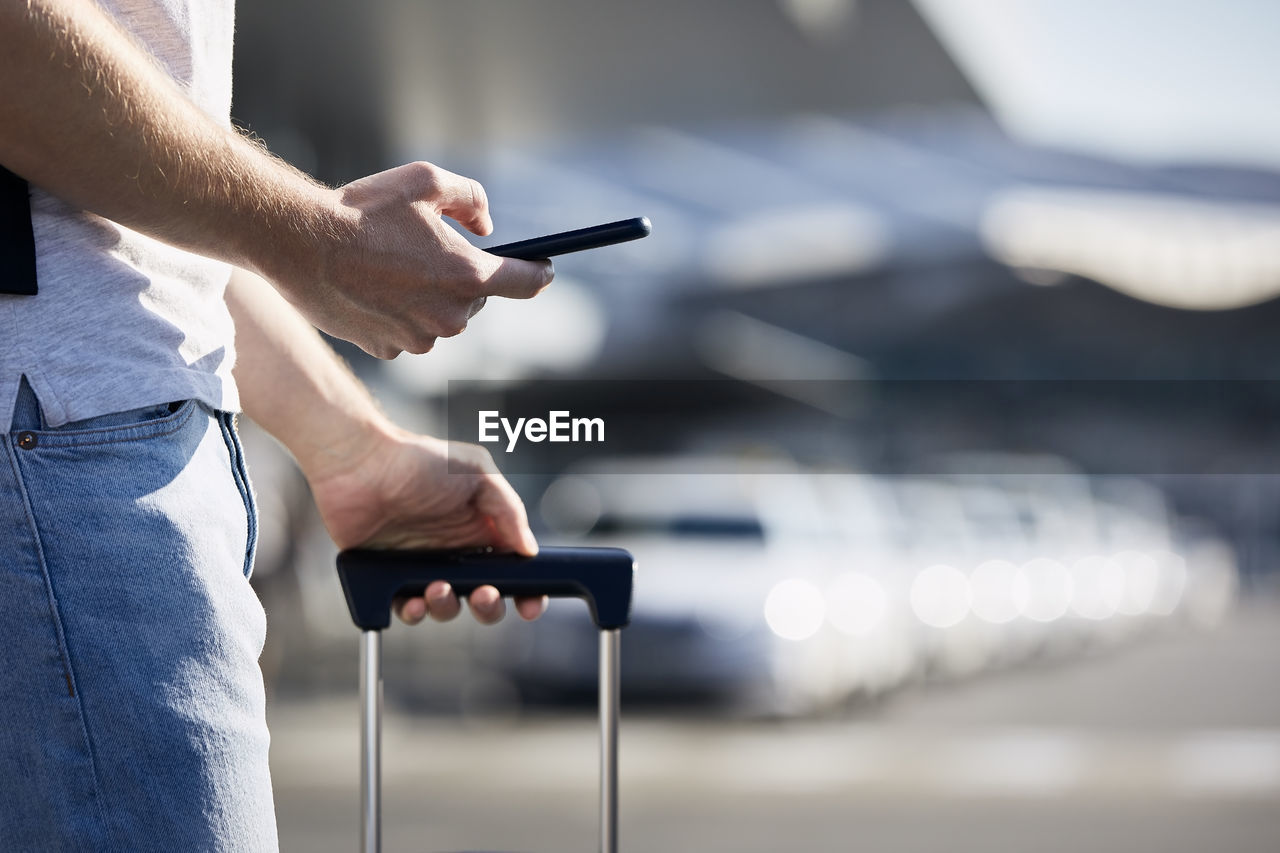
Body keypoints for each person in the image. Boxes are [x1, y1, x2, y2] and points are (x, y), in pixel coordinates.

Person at [0, 0, 555, 849]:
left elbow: (127, 237)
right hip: (59, 450)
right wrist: (317, 240)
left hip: (70, 436)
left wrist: (351, 447)